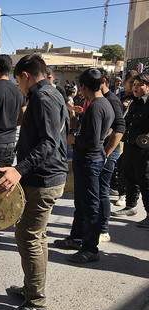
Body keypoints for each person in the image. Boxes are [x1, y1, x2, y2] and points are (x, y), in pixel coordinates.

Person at [0, 54, 68, 310]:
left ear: (25, 75)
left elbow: (49, 143)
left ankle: (36, 302)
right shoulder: (53, 92)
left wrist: (18, 169)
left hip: (43, 180)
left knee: (28, 236)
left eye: (18, 81)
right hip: (44, 177)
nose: (19, 88)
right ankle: (31, 289)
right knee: (37, 236)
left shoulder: (42, 97)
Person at [54, 68, 114, 263]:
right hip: (89, 159)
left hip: (90, 160)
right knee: (82, 203)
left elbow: (93, 141)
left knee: (90, 206)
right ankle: (77, 238)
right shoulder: (103, 103)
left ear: (84, 87)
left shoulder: (97, 106)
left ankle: (90, 249)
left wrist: (73, 139)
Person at [111, 72, 149, 228]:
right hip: (129, 146)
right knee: (129, 176)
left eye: (140, 85)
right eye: (134, 85)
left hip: (144, 150)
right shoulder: (133, 102)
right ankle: (130, 206)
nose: (135, 88)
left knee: (145, 180)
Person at [96, 68, 125, 242]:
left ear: (104, 81)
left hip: (108, 153)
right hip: (100, 152)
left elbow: (120, 128)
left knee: (102, 192)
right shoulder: (100, 99)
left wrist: (107, 152)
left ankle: (104, 230)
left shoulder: (111, 101)